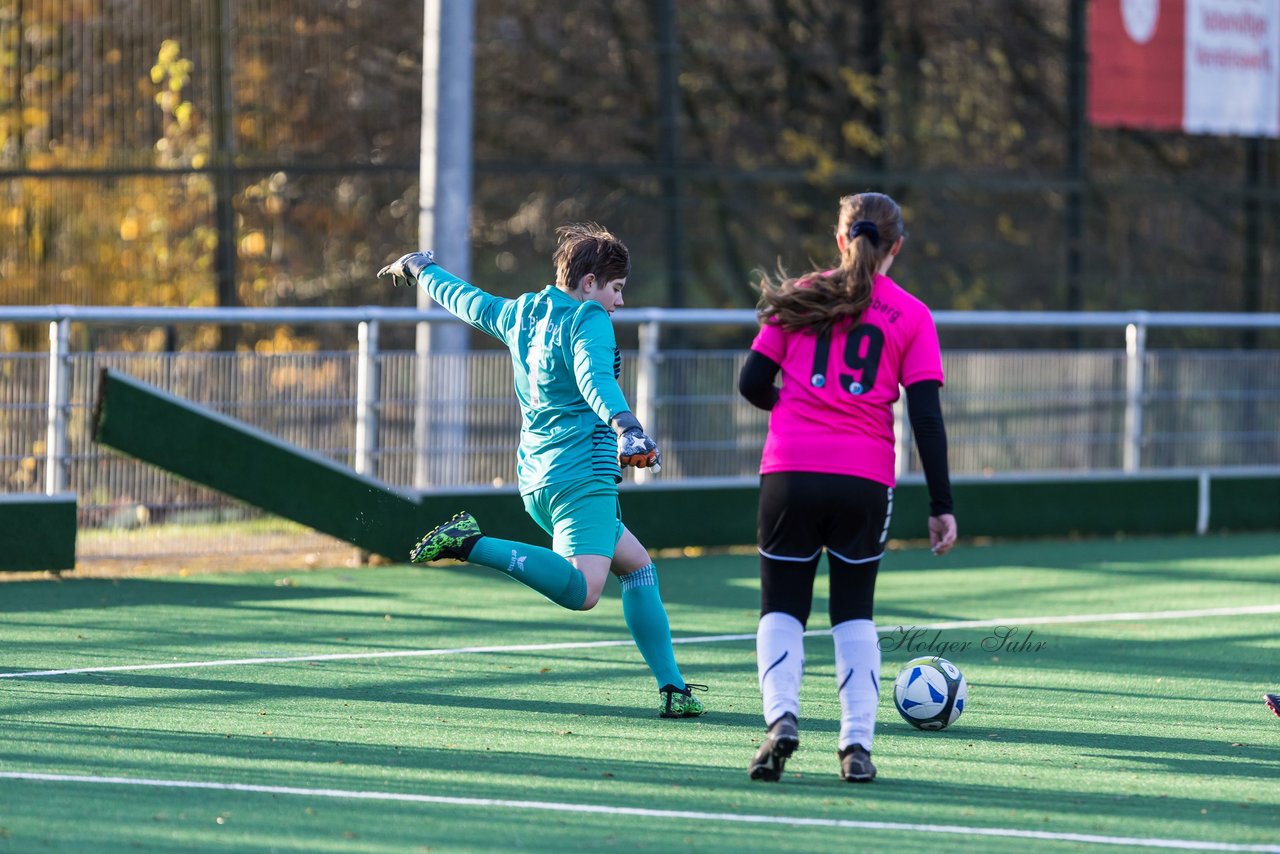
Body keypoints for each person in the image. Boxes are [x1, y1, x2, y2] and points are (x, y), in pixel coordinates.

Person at [378, 224, 705, 719]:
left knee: (637, 568)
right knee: (584, 591)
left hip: (537, 478)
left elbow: (467, 300)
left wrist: (422, 268)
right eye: (616, 289)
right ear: (590, 282)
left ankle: (674, 688)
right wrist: (627, 427)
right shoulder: (589, 317)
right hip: (581, 475)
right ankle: (470, 543)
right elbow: (592, 375)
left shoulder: (522, 312)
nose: (618, 303)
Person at [737, 192, 957, 783]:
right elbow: (926, 419)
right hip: (863, 477)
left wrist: (797, 408)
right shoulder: (911, 315)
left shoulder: (802, 294)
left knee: (781, 606)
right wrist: (941, 505)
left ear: (841, 239)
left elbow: (753, 380)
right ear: (897, 248)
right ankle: (855, 747)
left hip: (789, 469)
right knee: (853, 613)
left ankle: (781, 719)